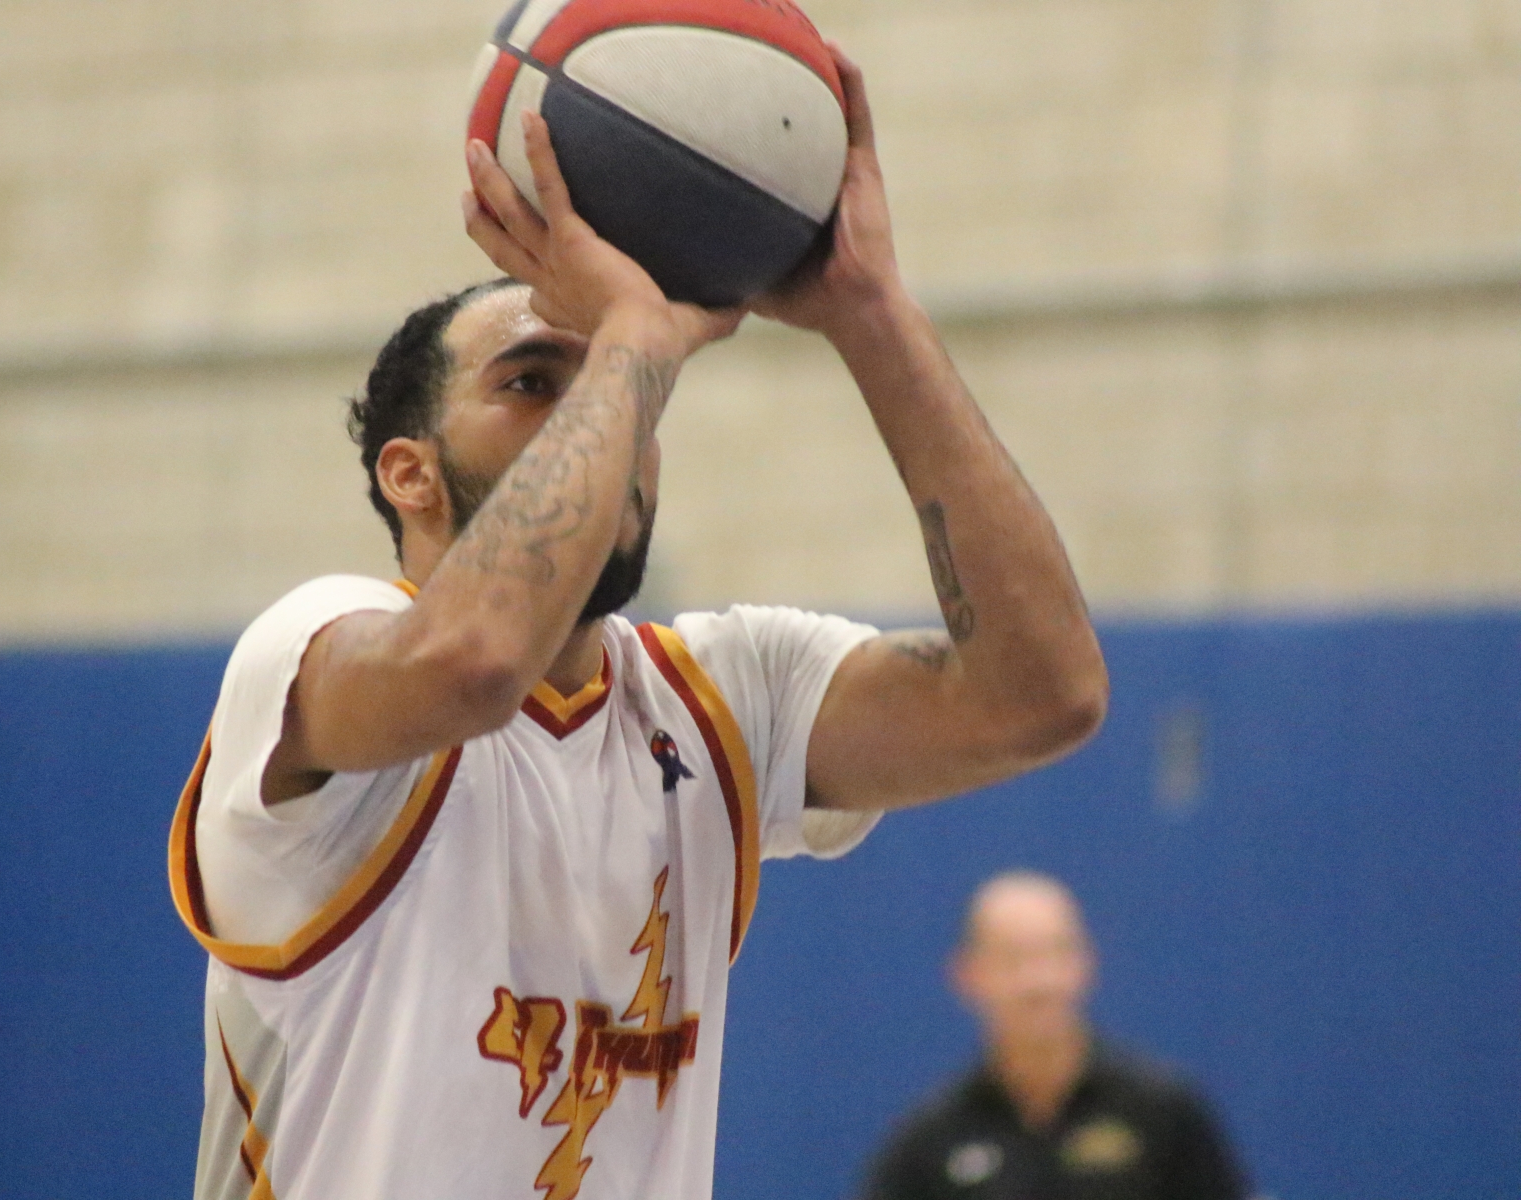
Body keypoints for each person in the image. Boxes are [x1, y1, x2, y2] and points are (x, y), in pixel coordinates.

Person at [167, 45, 1108, 1200]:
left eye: (624, 393)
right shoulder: (316, 647)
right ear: (408, 475)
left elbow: (1045, 695)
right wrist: (629, 337)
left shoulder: (727, 695)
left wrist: (871, 312)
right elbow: (476, 665)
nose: (610, 423)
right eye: (532, 383)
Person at [864, 872, 1249, 1200]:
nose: (1038, 981)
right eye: (1012, 958)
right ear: (967, 974)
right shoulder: (927, 1144)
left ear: (1087, 963)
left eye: (1056, 952)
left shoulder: (1165, 1116)